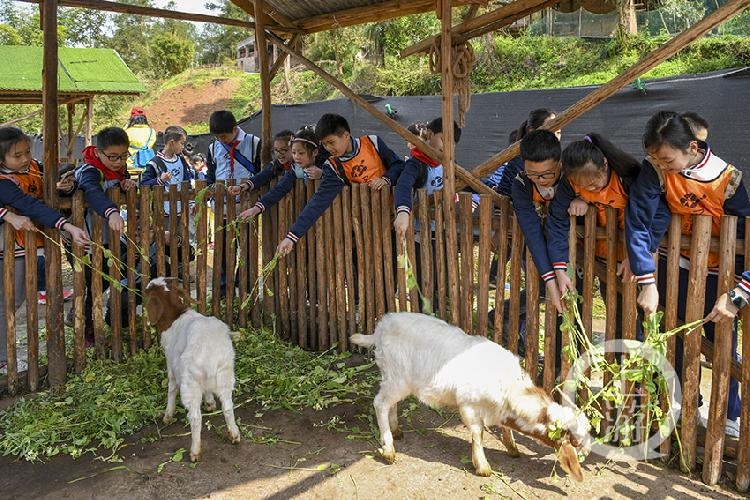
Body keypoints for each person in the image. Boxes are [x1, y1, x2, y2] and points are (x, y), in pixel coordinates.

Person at [626, 110, 749, 438]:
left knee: (722, 344)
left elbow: (745, 241)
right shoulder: (656, 170)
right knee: (674, 335)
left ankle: (729, 415)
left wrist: (737, 293)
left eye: (667, 159)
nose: (662, 166)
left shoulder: (728, 179)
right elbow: (638, 221)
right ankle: (680, 405)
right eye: (656, 159)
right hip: (672, 266)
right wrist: (647, 280)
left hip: (716, 275)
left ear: (692, 148)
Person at [0, 127, 90, 372]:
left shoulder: (34, 167)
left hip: (33, 242)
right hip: (12, 247)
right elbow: (27, 203)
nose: (24, 158)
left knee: (15, 299)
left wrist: (63, 188)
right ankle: (2, 359)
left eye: (27, 152)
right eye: (16, 156)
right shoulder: (4, 182)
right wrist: (67, 226)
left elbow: (47, 188)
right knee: (9, 301)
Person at [275, 113, 403, 256]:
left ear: (346, 135)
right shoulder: (333, 166)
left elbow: (398, 166)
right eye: (324, 144)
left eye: (331, 142)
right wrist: (292, 237)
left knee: (401, 269)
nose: (328, 148)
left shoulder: (372, 143)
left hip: (396, 219)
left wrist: (386, 179)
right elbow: (318, 201)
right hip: (366, 227)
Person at [70, 127, 137, 344]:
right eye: (113, 157)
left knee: (108, 277)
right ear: (98, 153)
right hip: (85, 240)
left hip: (108, 239)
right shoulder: (90, 170)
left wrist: (127, 184)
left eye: (123, 156)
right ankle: (86, 330)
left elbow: (120, 182)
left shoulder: (117, 169)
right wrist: (111, 211)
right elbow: (92, 191)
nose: (119, 162)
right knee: (90, 284)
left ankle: (90, 317)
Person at [205, 110, 262, 294]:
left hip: (246, 204)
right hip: (222, 205)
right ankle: (223, 286)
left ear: (234, 128)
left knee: (246, 245)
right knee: (222, 247)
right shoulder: (213, 148)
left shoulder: (254, 143)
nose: (222, 139)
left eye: (224, 135)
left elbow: (261, 171)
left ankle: (243, 282)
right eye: (218, 136)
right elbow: (211, 176)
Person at [393, 117, 462, 237]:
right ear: (430, 134)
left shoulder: (450, 163)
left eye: (452, 143)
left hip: (443, 226)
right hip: (420, 231)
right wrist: (403, 211)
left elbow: (464, 181)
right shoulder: (416, 164)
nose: (446, 146)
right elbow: (403, 184)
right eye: (443, 139)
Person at [140, 125, 195, 275]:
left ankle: (181, 271)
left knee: (181, 240)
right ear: (172, 142)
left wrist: (191, 203)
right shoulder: (154, 163)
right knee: (163, 240)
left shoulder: (182, 161)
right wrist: (160, 180)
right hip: (162, 211)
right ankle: (163, 271)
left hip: (180, 209)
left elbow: (187, 183)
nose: (183, 146)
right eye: (181, 143)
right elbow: (144, 184)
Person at [239, 127, 322, 222]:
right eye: (294, 153)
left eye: (301, 153)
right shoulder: (295, 170)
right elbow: (279, 188)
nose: (297, 157)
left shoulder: (328, 165)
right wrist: (256, 208)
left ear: (315, 152)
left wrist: (322, 175)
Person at [484, 108, 561, 197]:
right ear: (531, 130)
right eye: (551, 130)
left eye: (558, 132)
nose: (555, 136)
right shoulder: (518, 162)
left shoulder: (560, 162)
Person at [124, 106, 157, 174]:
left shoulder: (126, 132)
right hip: (148, 166)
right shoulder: (152, 131)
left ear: (131, 119)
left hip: (131, 167)